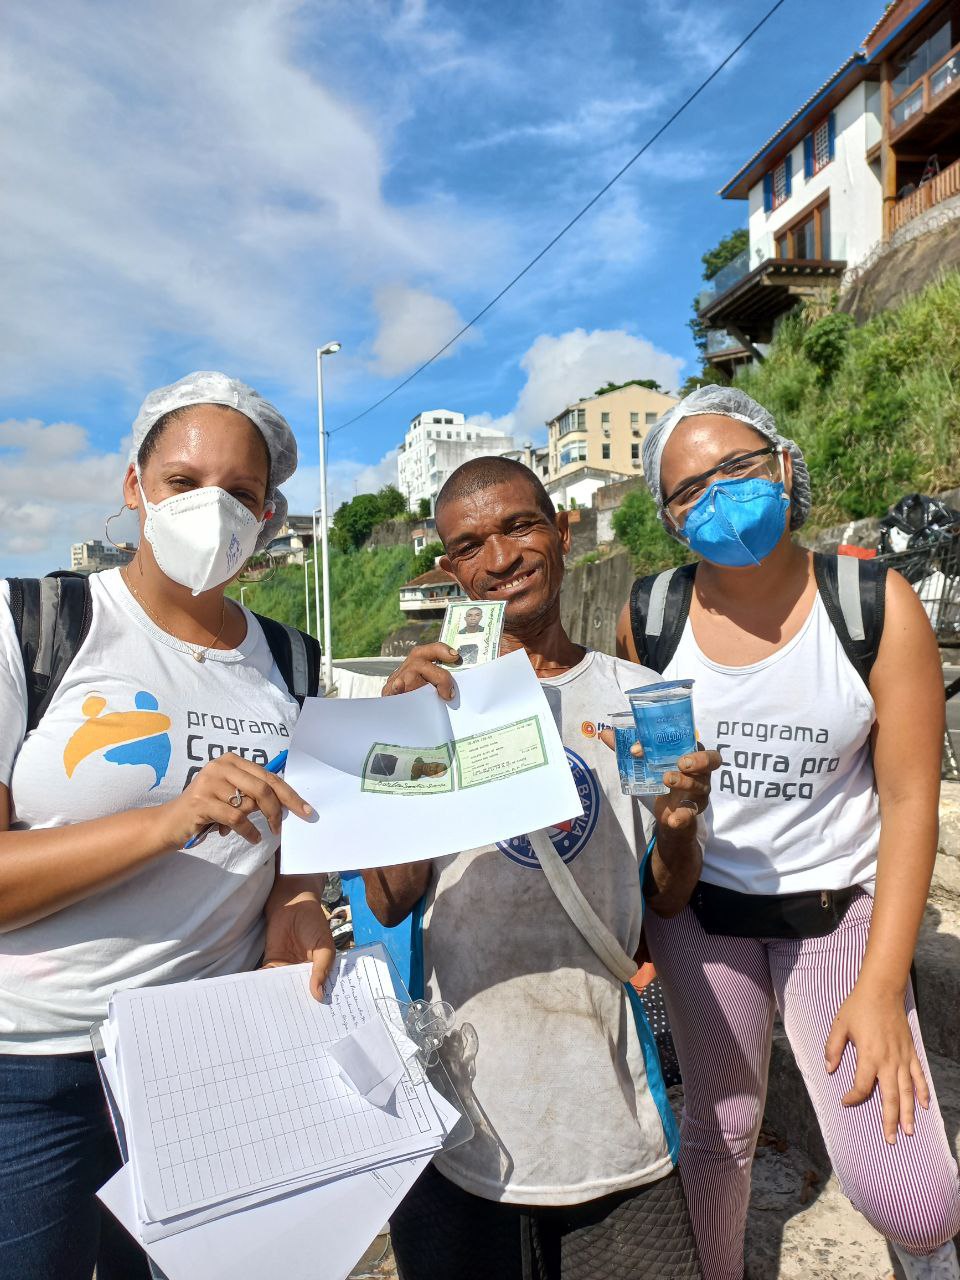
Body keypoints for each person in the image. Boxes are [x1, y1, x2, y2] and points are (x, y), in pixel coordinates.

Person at [616, 385, 960, 1280]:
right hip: (700, 913)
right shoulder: (650, 618)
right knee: (720, 1127)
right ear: (668, 518)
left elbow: (912, 799)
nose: (720, 494)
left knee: (912, 1195)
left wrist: (885, 984)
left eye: (738, 466)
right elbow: (646, 787)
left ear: (784, 464)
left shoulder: (872, 606)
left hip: (837, 912)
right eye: (690, 487)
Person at [0, 371, 336, 1280]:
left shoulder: (293, 662)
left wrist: (299, 897)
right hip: (35, 1073)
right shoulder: (34, 624)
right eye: (186, 482)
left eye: (243, 492)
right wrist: (166, 823)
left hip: (213, 1055)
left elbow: (299, 835)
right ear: (134, 487)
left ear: (269, 516)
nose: (213, 508)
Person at [364, 455, 720, 1280]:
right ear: (450, 569)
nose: (500, 559)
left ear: (561, 533)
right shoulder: (430, 705)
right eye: (469, 545)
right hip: (465, 1109)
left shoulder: (639, 698)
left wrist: (677, 831)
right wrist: (405, 747)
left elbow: (666, 904)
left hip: (608, 1102)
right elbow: (389, 898)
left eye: (520, 525)